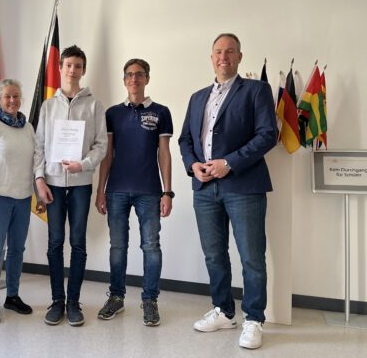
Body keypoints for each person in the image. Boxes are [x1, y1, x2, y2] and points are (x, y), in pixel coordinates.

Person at [178, 33, 278, 349]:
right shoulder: (197, 97)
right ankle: (223, 310)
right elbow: (185, 140)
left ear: (239, 57)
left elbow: (268, 135)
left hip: (243, 185)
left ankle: (254, 319)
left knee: (251, 256)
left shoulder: (256, 90)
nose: (224, 57)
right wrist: (193, 165)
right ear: (211, 58)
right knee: (214, 254)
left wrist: (229, 163)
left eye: (230, 51)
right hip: (204, 187)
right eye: (218, 52)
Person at [94, 58, 173, 327]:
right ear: (124, 80)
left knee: (151, 246)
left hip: (149, 191)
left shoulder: (161, 112)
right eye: (129, 74)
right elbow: (107, 155)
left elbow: (164, 154)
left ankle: (150, 300)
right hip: (116, 190)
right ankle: (116, 297)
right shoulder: (113, 114)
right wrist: (100, 191)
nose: (134, 79)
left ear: (147, 78)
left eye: (139, 74)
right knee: (118, 247)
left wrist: (167, 192)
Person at [34, 45, 107, 327]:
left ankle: (73, 302)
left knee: (78, 243)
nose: (72, 70)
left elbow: (101, 145)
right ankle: (57, 301)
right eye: (68, 65)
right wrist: (39, 179)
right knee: (55, 243)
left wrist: (83, 164)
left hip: (80, 184)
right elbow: (39, 146)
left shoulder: (94, 105)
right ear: (60, 68)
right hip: (52, 183)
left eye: (78, 66)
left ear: (83, 70)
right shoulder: (48, 106)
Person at [0, 79, 45, 324]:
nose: (12, 100)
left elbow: (36, 162)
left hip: (23, 199)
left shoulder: (28, 128)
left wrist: (39, 193)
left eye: (16, 96)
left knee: (16, 250)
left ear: (20, 99)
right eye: (7, 97)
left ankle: (12, 296)